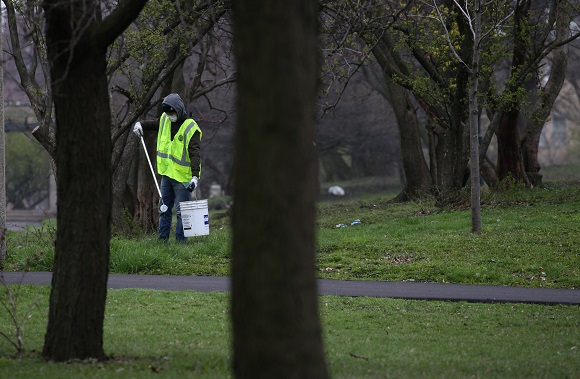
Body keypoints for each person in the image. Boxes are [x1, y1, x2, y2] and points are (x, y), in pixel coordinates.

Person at [133, 93, 202, 243]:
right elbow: (154, 124)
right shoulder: (165, 119)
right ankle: (162, 241)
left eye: (172, 113)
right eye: (168, 113)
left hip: (183, 178)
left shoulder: (191, 127)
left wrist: (195, 177)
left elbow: (195, 154)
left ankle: (180, 243)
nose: (170, 115)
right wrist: (141, 124)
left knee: (182, 212)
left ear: (179, 110)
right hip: (166, 175)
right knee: (163, 209)